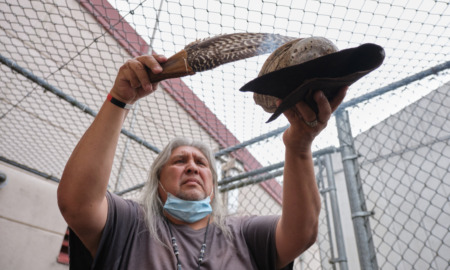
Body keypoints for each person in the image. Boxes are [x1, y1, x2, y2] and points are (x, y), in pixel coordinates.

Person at [57, 54, 347, 270]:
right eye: (179, 161)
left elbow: (302, 234)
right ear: (158, 182)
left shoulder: (243, 234)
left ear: (212, 186)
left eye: (201, 163)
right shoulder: (131, 224)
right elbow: (77, 203)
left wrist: (298, 147)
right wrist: (120, 99)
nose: (193, 167)